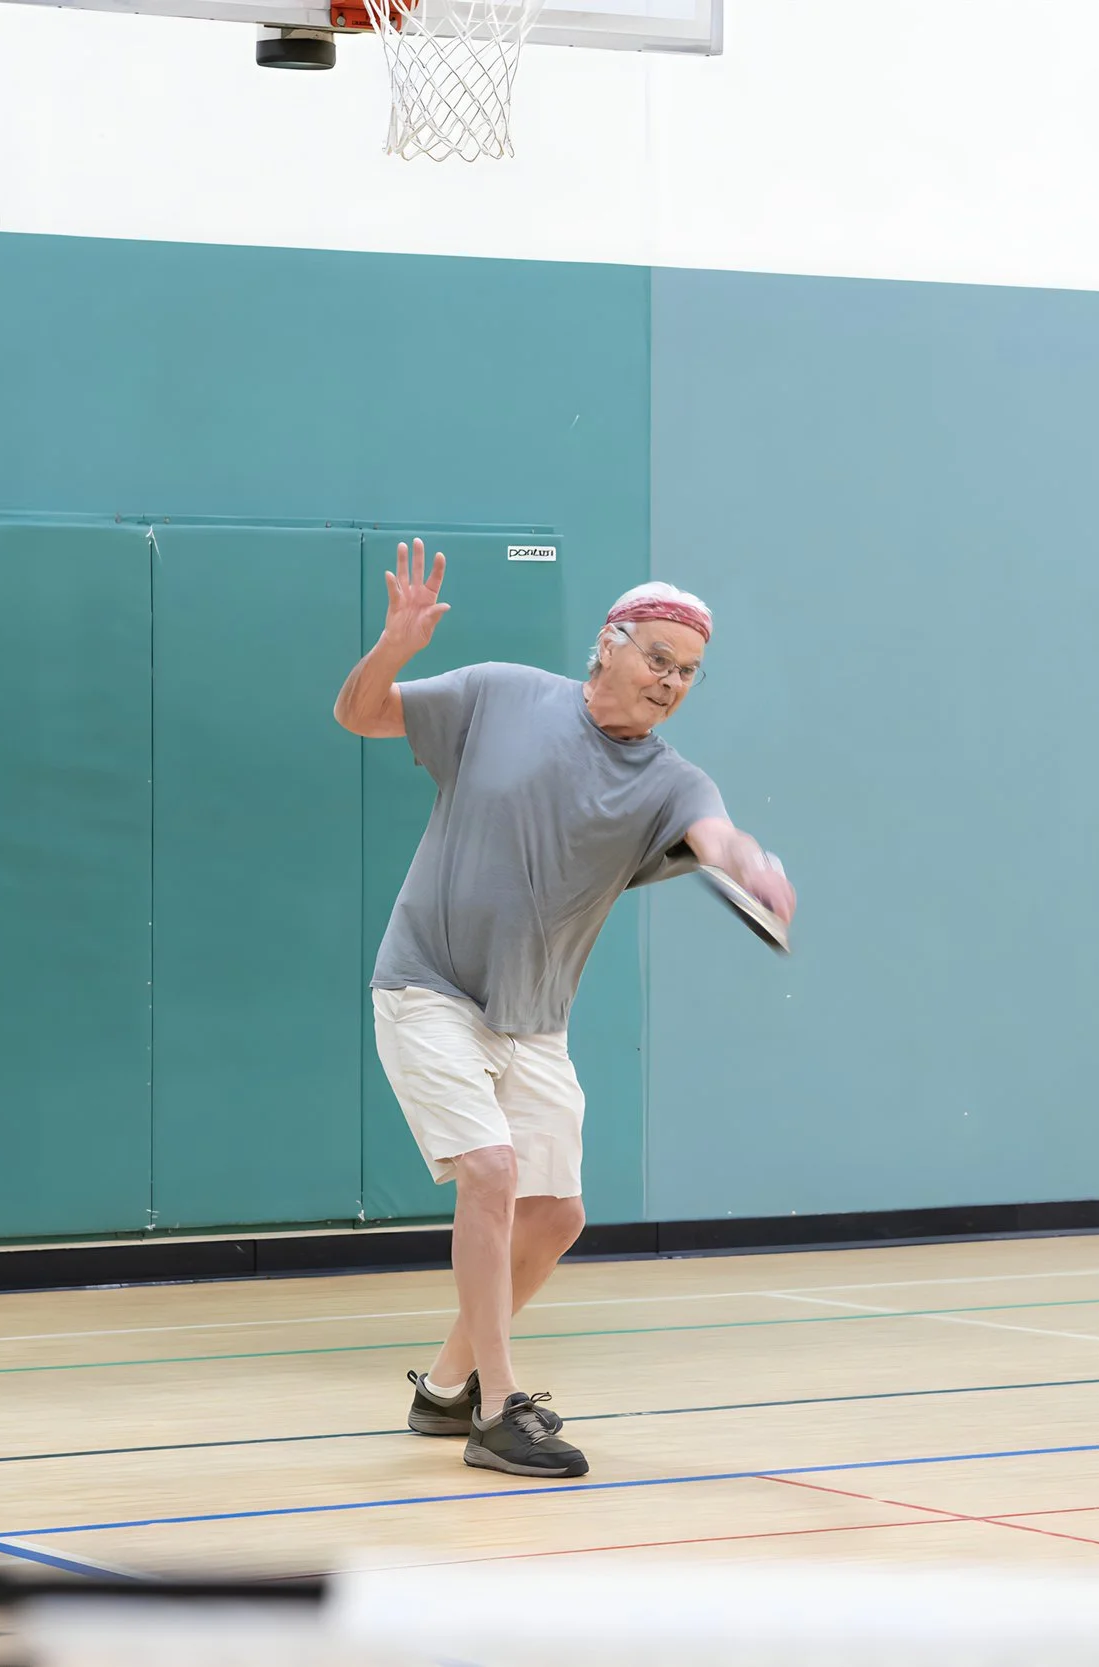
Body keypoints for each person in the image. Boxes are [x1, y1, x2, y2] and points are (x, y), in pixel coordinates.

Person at [332, 539, 795, 1479]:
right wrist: (395, 646)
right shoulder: (500, 694)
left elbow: (716, 836)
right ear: (609, 645)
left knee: (558, 1215)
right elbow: (359, 713)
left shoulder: (672, 781)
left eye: (689, 672)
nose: (670, 683)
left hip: (533, 1018)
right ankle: (500, 1410)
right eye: (658, 659)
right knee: (493, 1171)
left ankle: (447, 1385)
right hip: (427, 985)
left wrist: (751, 864)